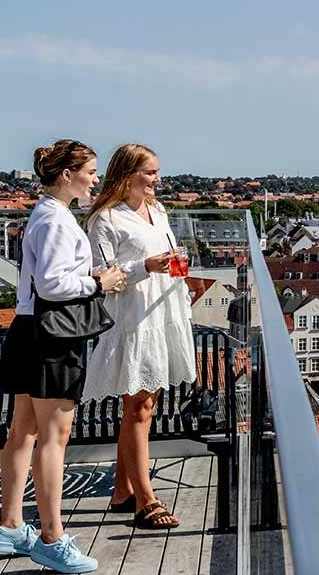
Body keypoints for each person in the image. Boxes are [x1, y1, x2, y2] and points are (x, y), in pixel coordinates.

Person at [0, 139, 124, 574]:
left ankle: (10, 524)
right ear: (66, 175)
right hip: (52, 336)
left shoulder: (45, 215)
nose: (95, 179)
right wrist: (98, 283)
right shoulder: (55, 220)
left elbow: (42, 282)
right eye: (90, 171)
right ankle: (51, 537)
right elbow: (52, 285)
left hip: (31, 329)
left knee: (23, 431)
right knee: (54, 437)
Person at [84, 143, 196, 530]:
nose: (157, 179)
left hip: (163, 311)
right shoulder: (105, 219)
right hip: (134, 320)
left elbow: (165, 255)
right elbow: (102, 276)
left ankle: (122, 491)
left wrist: (173, 269)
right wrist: (144, 267)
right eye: (150, 173)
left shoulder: (158, 210)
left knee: (143, 407)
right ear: (128, 174)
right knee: (139, 408)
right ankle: (145, 500)